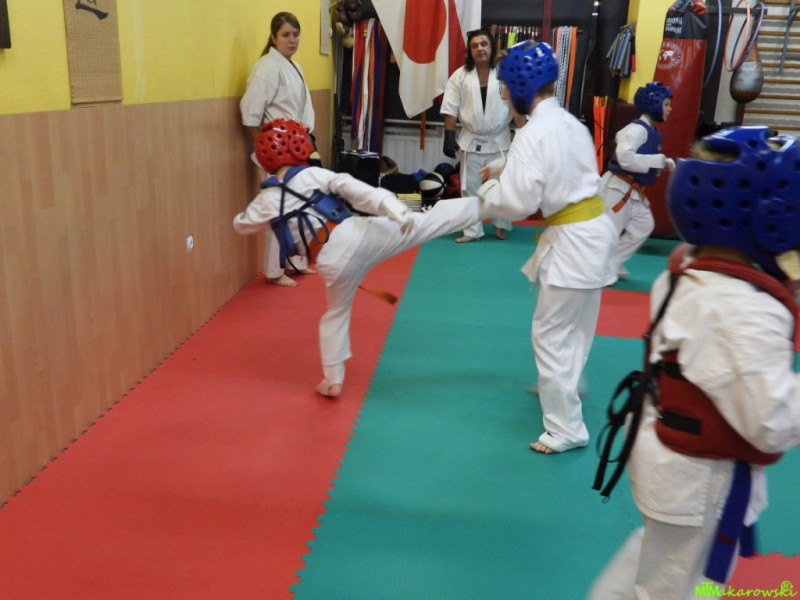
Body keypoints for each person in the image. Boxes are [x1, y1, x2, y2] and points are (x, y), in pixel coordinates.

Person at [588, 126, 800, 599]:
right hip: (700, 488)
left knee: (667, 564)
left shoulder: (689, 275)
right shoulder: (741, 310)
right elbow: (771, 421)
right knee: (682, 585)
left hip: (671, 469)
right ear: (769, 221)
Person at [233, 119, 490, 398]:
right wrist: (392, 207)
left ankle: (333, 380)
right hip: (354, 237)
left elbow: (241, 224)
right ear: (297, 147)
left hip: (330, 263)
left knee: (335, 314)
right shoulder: (310, 175)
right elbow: (347, 185)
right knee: (428, 222)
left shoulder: (267, 199)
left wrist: (267, 211)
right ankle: (491, 204)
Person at [477, 41, 618, 454]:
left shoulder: (531, 133)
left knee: (551, 333)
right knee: (575, 325)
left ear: (520, 87)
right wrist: (507, 166)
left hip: (573, 241)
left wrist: (490, 191)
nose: (504, 95)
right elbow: (557, 165)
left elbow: (516, 204)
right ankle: (566, 383)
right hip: (596, 231)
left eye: (505, 87)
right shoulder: (570, 123)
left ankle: (565, 428)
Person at [240, 12, 316, 287]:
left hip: (297, 146)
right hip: (276, 150)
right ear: (273, 37)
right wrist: (266, 147)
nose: (291, 40)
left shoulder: (294, 67)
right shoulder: (266, 67)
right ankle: (274, 270)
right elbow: (250, 114)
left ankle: (296, 262)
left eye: (295, 35)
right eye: (285, 35)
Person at [440, 29, 514, 243]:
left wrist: (522, 134)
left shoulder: (505, 73)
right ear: (470, 51)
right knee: (469, 187)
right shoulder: (460, 76)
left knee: (501, 186)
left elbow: (518, 105)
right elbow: (450, 107)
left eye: (484, 44)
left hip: (499, 140)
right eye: (475, 46)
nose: (480, 48)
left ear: (492, 47)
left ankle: (500, 225)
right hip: (471, 140)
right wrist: (448, 135)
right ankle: (472, 231)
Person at [600, 82, 675, 279]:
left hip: (633, 190)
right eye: (666, 104)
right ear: (654, 104)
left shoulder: (652, 131)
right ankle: (598, 271)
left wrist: (662, 164)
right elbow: (624, 158)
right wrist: (658, 160)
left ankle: (613, 262)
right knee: (609, 232)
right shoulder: (636, 129)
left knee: (644, 225)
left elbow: (643, 160)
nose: (670, 109)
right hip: (618, 188)